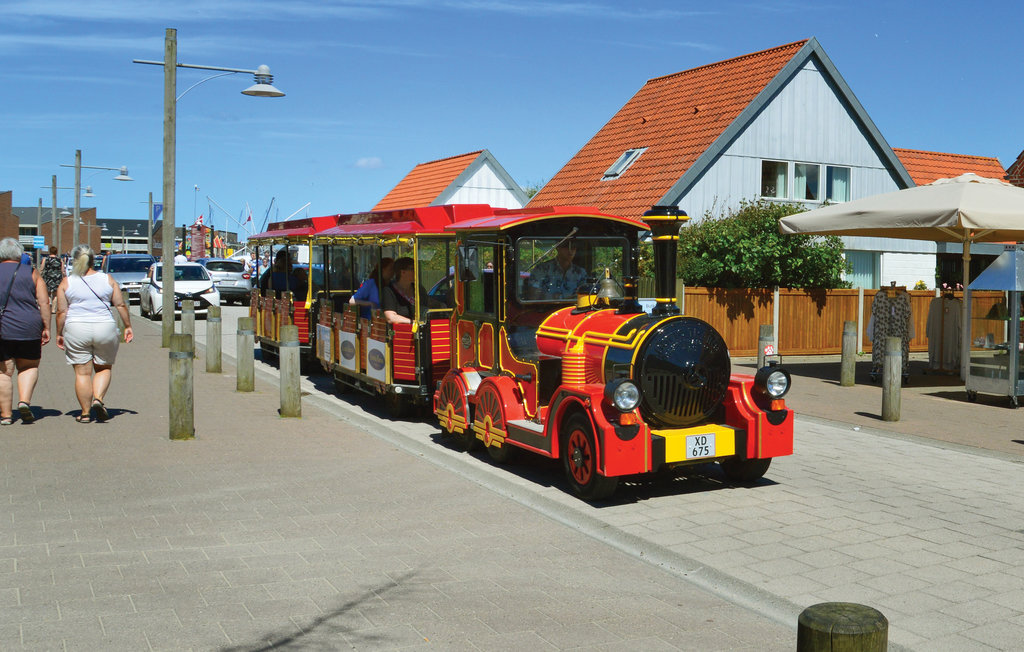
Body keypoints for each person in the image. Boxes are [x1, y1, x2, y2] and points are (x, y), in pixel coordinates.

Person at [54, 244, 133, 423]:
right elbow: (120, 305)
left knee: (82, 373)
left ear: (74, 260)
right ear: (93, 260)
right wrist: (128, 326)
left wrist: (59, 333)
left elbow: (61, 312)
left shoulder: (67, 282)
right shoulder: (107, 279)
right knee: (103, 367)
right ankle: (98, 398)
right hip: (104, 327)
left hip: (76, 328)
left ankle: (85, 413)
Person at [0, 238, 51, 424]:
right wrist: (47, 327)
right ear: (20, 254)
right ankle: (24, 402)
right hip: (29, 326)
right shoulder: (31, 272)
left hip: (2, 328)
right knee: (28, 366)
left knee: (3, 373)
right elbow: (44, 302)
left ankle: (6, 415)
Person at [381, 257, 434, 325]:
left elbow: (426, 305)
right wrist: (413, 322)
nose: (416, 271)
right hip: (400, 333)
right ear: (403, 272)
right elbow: (390, 317)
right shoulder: (389, 291)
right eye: (413, 269)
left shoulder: (419, 289)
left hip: (422, 331)